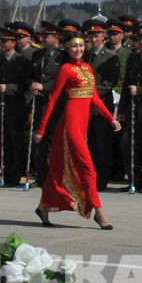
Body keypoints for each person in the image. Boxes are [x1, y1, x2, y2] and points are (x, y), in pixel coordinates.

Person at [34, 34, 120, 229]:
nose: (78, 49)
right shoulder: (65, 69)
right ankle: (99, 211)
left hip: (82, 124)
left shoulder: (87, 68)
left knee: (58, 167)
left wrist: (111, 117)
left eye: (81, 46)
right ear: (67, 48)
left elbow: (94, 98)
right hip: (70, 126)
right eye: (74, 46)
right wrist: (41, 129)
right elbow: (53, 99)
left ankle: (44, 207)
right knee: (88, 168)